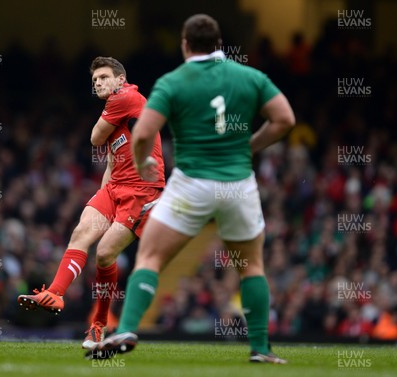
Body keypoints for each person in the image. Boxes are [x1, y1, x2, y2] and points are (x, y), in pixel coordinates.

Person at [86, 14, 295, 363]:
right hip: (238, 184)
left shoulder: (173, 81)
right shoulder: (250, 76)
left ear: (185, 45)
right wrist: (250, 147)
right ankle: (260, 349)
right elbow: (285, 120)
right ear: (220, 44)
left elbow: (141, 133)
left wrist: (142, 162)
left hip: (191, 185)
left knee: (149, 257)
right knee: (252, 267)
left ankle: (126, 328)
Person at [18, 57, 165, 349]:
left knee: (104, 254)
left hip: (141, 191)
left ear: (120, 79)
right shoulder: (120, 112)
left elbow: (95, 137)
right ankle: (55, 293)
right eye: (94, 79)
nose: (96, 82)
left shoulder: (125, 97)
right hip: (114, 188)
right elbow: (110, 158)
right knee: (81, 232)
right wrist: (103, 199)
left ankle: (98, 325)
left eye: (103, 77)